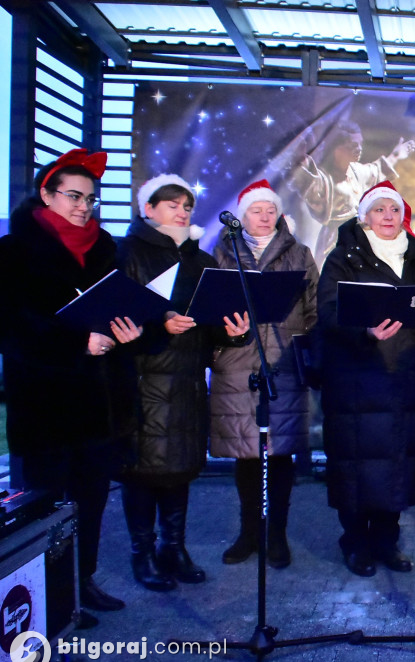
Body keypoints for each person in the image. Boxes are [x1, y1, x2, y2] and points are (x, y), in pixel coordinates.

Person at [0, 149, 142, 627]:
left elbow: (113, 312)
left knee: (92, 497)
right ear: (46, 193)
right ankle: (48, 598)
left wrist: (127, 332)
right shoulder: (13, 252)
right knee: (45, 503)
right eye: (74, 197)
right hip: (45, 402)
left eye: (90, 199)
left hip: (98, 402)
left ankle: (84, 581)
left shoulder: (104, 248)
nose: (84, 206)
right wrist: (78, 342)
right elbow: (13, 329)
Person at [118, 174, 250, 592]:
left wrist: (234, 330)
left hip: (189, 380)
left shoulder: (201, 260)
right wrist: (160, 322)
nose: (182, 211)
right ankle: (143, 552)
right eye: (172, 203)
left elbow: (211, 324)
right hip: (144, 379)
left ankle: (174, 547)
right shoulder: (128, 252)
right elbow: (114, 315)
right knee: (142, 469)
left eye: (187, 205)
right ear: (148, 209)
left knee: (179, 468)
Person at [317, 181, 415, 577]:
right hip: (358, 377)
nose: (389, 216)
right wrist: (365, 332)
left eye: (394, 209)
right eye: (380, 210)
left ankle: (387, 541)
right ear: (364, 217)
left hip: (406, 377)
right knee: (356, 464)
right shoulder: (343, 258)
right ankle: (355, 543)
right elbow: (329, 312)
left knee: (398, 464)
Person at [210, 180, 318, 570]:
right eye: (256, 210)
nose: (264, 216)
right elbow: (207, 309)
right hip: (238, 365)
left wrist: (308, 353)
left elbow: (313, 310)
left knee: (281, 452)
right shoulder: (221, 253)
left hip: (284, 363)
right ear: (241, 215)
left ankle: (277, 534)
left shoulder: (300, 254)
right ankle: (248, 532)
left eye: (270, 210)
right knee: (248, 453)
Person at [289, 120, 415, 268]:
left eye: (360, 144)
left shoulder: (357, 171)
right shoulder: (325, 179)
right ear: (337, 148)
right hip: (335, 242)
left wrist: (395, 155)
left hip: (361, 240)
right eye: (353, 145)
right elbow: (310, 185)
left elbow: (376, 170)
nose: (359, 149)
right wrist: (301, 160)